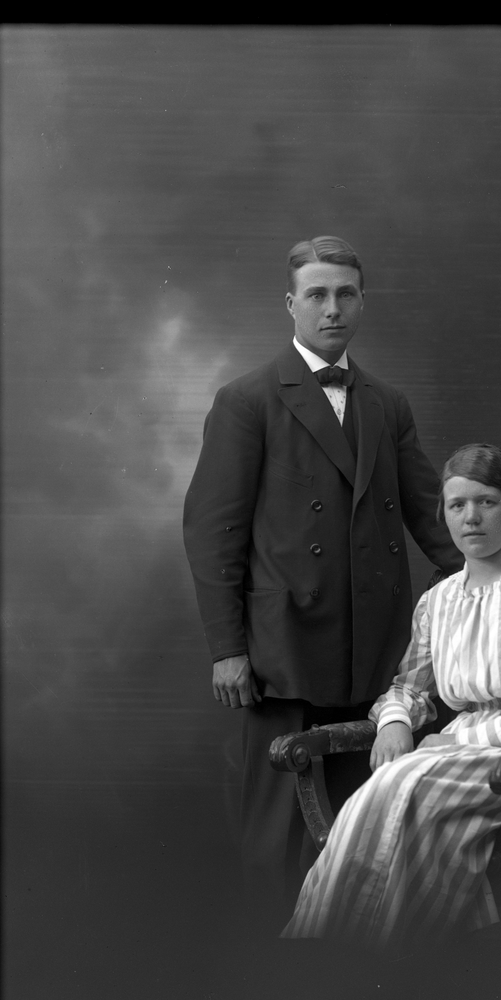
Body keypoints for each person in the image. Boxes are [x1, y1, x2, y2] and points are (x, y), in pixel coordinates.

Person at [182, 235, 462, 930]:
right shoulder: (247, 400)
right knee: (275, 838)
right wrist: (227, 648)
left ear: (362, 303)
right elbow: (212, 532)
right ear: (291, 304)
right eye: (317, 294)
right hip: (284, 652)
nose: (332, 308)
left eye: (345, 294)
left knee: (364, 831)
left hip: (375, 651)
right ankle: (271, 971)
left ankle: (345, 976)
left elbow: (433, 516)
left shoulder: (388, 404)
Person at [282, 443, 501, 948]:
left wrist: (460, 742)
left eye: (486, 502)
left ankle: (376, 953)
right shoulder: (439, 600)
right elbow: (409, 687)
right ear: (445, 515)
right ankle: (332, 952)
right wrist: (395, 721)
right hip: (461, 757)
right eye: (457, 505)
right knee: (384, 790)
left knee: (405, 785)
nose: (471, 517)